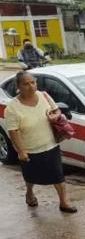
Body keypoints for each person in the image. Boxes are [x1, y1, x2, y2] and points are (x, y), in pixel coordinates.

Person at [4, 71, 76, 213]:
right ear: (18, 86)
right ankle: (29, 193)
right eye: (26, 84)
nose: (31, 86)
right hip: (30, 149)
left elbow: (56, 111)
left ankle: (64, 202)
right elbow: (14, 131)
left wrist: (54, 117)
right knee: (31, 176)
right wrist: (21, 151)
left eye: (33, 82)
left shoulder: (44, 96)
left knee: (58, 175)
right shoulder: (12, 108)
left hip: (50, 144)